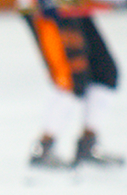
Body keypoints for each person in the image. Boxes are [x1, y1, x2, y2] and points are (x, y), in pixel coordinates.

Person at [18, 0, 125, 168]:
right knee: (69, 80)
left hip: (72, 7)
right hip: (49, 10)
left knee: (105, 73)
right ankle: (44, 147)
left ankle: (88, 144)